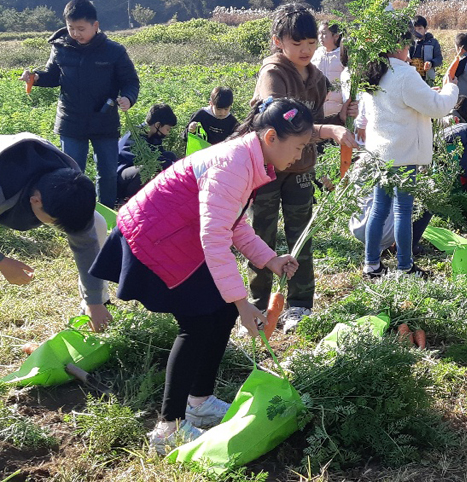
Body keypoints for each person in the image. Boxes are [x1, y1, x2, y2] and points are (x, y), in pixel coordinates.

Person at [89, 98, 308, 454]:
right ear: (271, 137)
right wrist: (242, 302)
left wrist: (269, 260)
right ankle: (168, 428)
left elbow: (232, 225)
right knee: (199, 321)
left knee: (216, 312)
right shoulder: (234, 164)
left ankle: (200, 402)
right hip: (154, 238)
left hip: (174, 235)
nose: (299, 156)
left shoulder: (248, 158)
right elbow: (215, 237)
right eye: (297, 147)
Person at [248, 4, 357, 332]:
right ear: (277, 41)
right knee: (261, 237)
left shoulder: (317, 79)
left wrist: (339, 119)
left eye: (311, 42)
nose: (306, 50)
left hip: (300, 167)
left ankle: (299, 305)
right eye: (297, 44)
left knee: (301, 235)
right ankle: (256, 306)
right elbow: (280, 124)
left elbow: (316, 121)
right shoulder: (274, 74)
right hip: (266, 169)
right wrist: (328, 130)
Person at [20, 0, 140, 208]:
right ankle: (76, 216)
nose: (75, 33)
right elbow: (52, 75)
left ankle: (105, 215)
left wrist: (128, 99)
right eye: (71, 28)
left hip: (104, 121)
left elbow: (130, 81)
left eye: (81, 28)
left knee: (108, 175)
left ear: (95, 25)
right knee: (72, 175)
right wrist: (36, 78)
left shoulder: (114, 51)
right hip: (71, 121)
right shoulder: (60, 47)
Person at [362, 22, 459, 278]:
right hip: (403, 154)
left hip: (380, 153)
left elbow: (405, 103)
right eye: (408, 44)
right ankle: (405, 267)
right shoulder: (404, 74)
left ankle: (371, 265)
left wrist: (429, 93)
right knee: (402, 211)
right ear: (399, 45)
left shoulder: (375, 72)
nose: (410, 48)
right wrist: (451, 87)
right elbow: (439, 108)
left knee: (379, 209)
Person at [0, 133, 112, 331]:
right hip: (7, 181)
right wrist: (2, 262)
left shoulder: (71, 182)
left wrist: (94, 301)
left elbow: (85, 243)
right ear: (36, 201)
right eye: (54, 221)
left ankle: (96, 304)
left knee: (98, 223)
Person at [117, 103, 179, 204]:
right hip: (122, 176)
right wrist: (168, 164)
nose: (167, 133)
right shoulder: (134, 135)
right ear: (158, 124)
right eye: (167, 129)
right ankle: (130, 201)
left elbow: (161, 155)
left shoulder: (154, 137)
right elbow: (143, 159)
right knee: (145, 169)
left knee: (170, 156)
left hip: (137, 171)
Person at [311, 21, 351, 119]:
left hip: (338, 111)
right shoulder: (315, 54)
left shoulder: (343, 55)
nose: (320, 36)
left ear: (336, 36)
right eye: (319, 33)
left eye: (324, 33)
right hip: (316, 110)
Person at [410, 15, 443, 83]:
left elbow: (439, 59)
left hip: (427, 78)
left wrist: (431, 63)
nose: (417, 31)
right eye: (415, 29)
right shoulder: (409, 43)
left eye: (420, 28)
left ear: (425, 29)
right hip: (411, 78)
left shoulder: (433, 42)